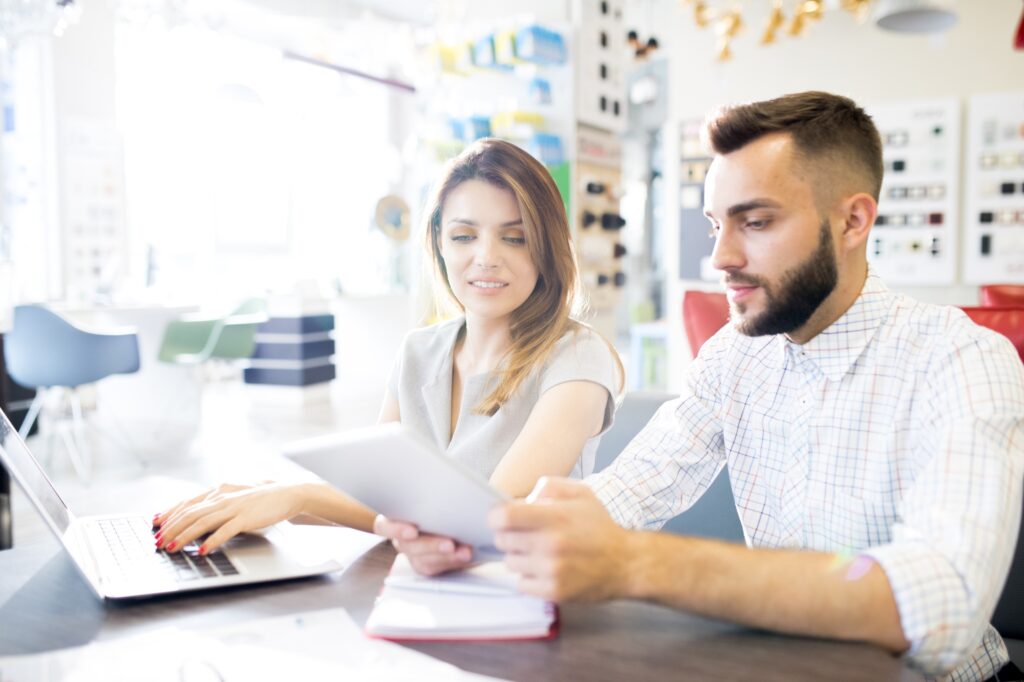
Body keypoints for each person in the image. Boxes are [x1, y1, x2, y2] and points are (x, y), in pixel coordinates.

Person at [403, 92, 1024, 681]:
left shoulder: (962, 358)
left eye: (754, 222)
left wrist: (640, 564)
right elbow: (627, 490)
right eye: (715, 225)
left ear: (853, 221)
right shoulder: (734, 357)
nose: (721, 257)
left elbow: (945, 601)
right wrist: (476, 541)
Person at [153, 138, 622, 561]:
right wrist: (265, 495)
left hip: (527, 597)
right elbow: (380, 497)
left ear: (546, 247)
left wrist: (297, 496)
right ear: (438, 243)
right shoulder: (419, 351)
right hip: (424, 589)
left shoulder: (577, 358)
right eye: (463, 235)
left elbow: (488, 520)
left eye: (514, 237)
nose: (486, 256)